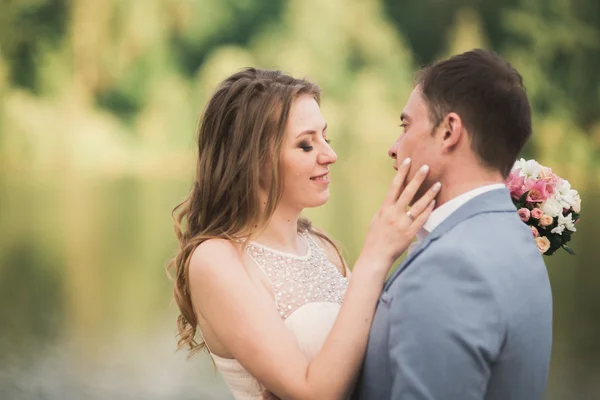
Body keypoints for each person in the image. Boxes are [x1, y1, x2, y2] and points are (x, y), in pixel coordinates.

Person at [168, 68, 439, 400]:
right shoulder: (217, 260)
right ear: (253, 160)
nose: (330, 155)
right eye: (306, 145)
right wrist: (375, 256)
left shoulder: (322, 246)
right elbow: (314, 393)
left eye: (326, 138)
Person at [352, 49, 553, 400]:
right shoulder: (518, 236)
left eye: (406, 125)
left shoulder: (450, 267)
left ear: (449, 131)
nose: (393, 147)